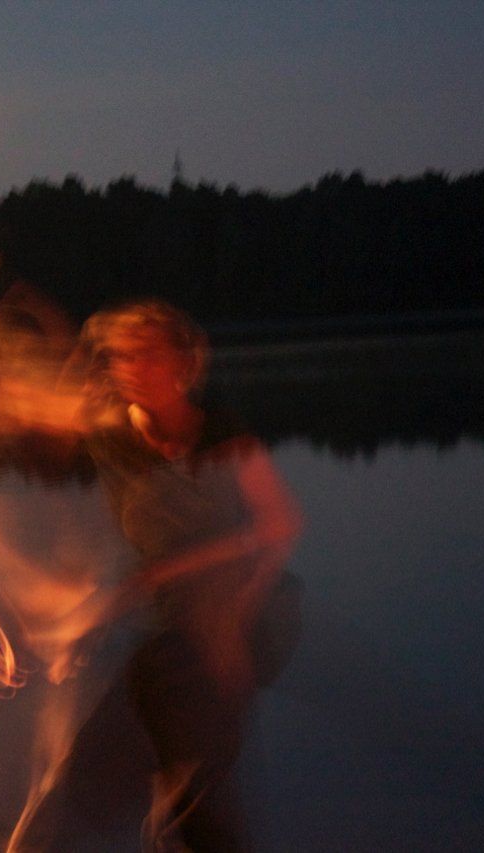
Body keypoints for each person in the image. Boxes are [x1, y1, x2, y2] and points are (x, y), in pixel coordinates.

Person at [80, 299, 304, 851]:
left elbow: (280, 526)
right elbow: (35, 408)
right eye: (121, 357)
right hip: (163, 628)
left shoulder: (224, 438)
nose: (132, 368)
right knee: (103, 779)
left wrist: (226, 614)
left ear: (184, 364)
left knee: (193, 790)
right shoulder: (112, 433)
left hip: (241, 617)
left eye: (148, 355)